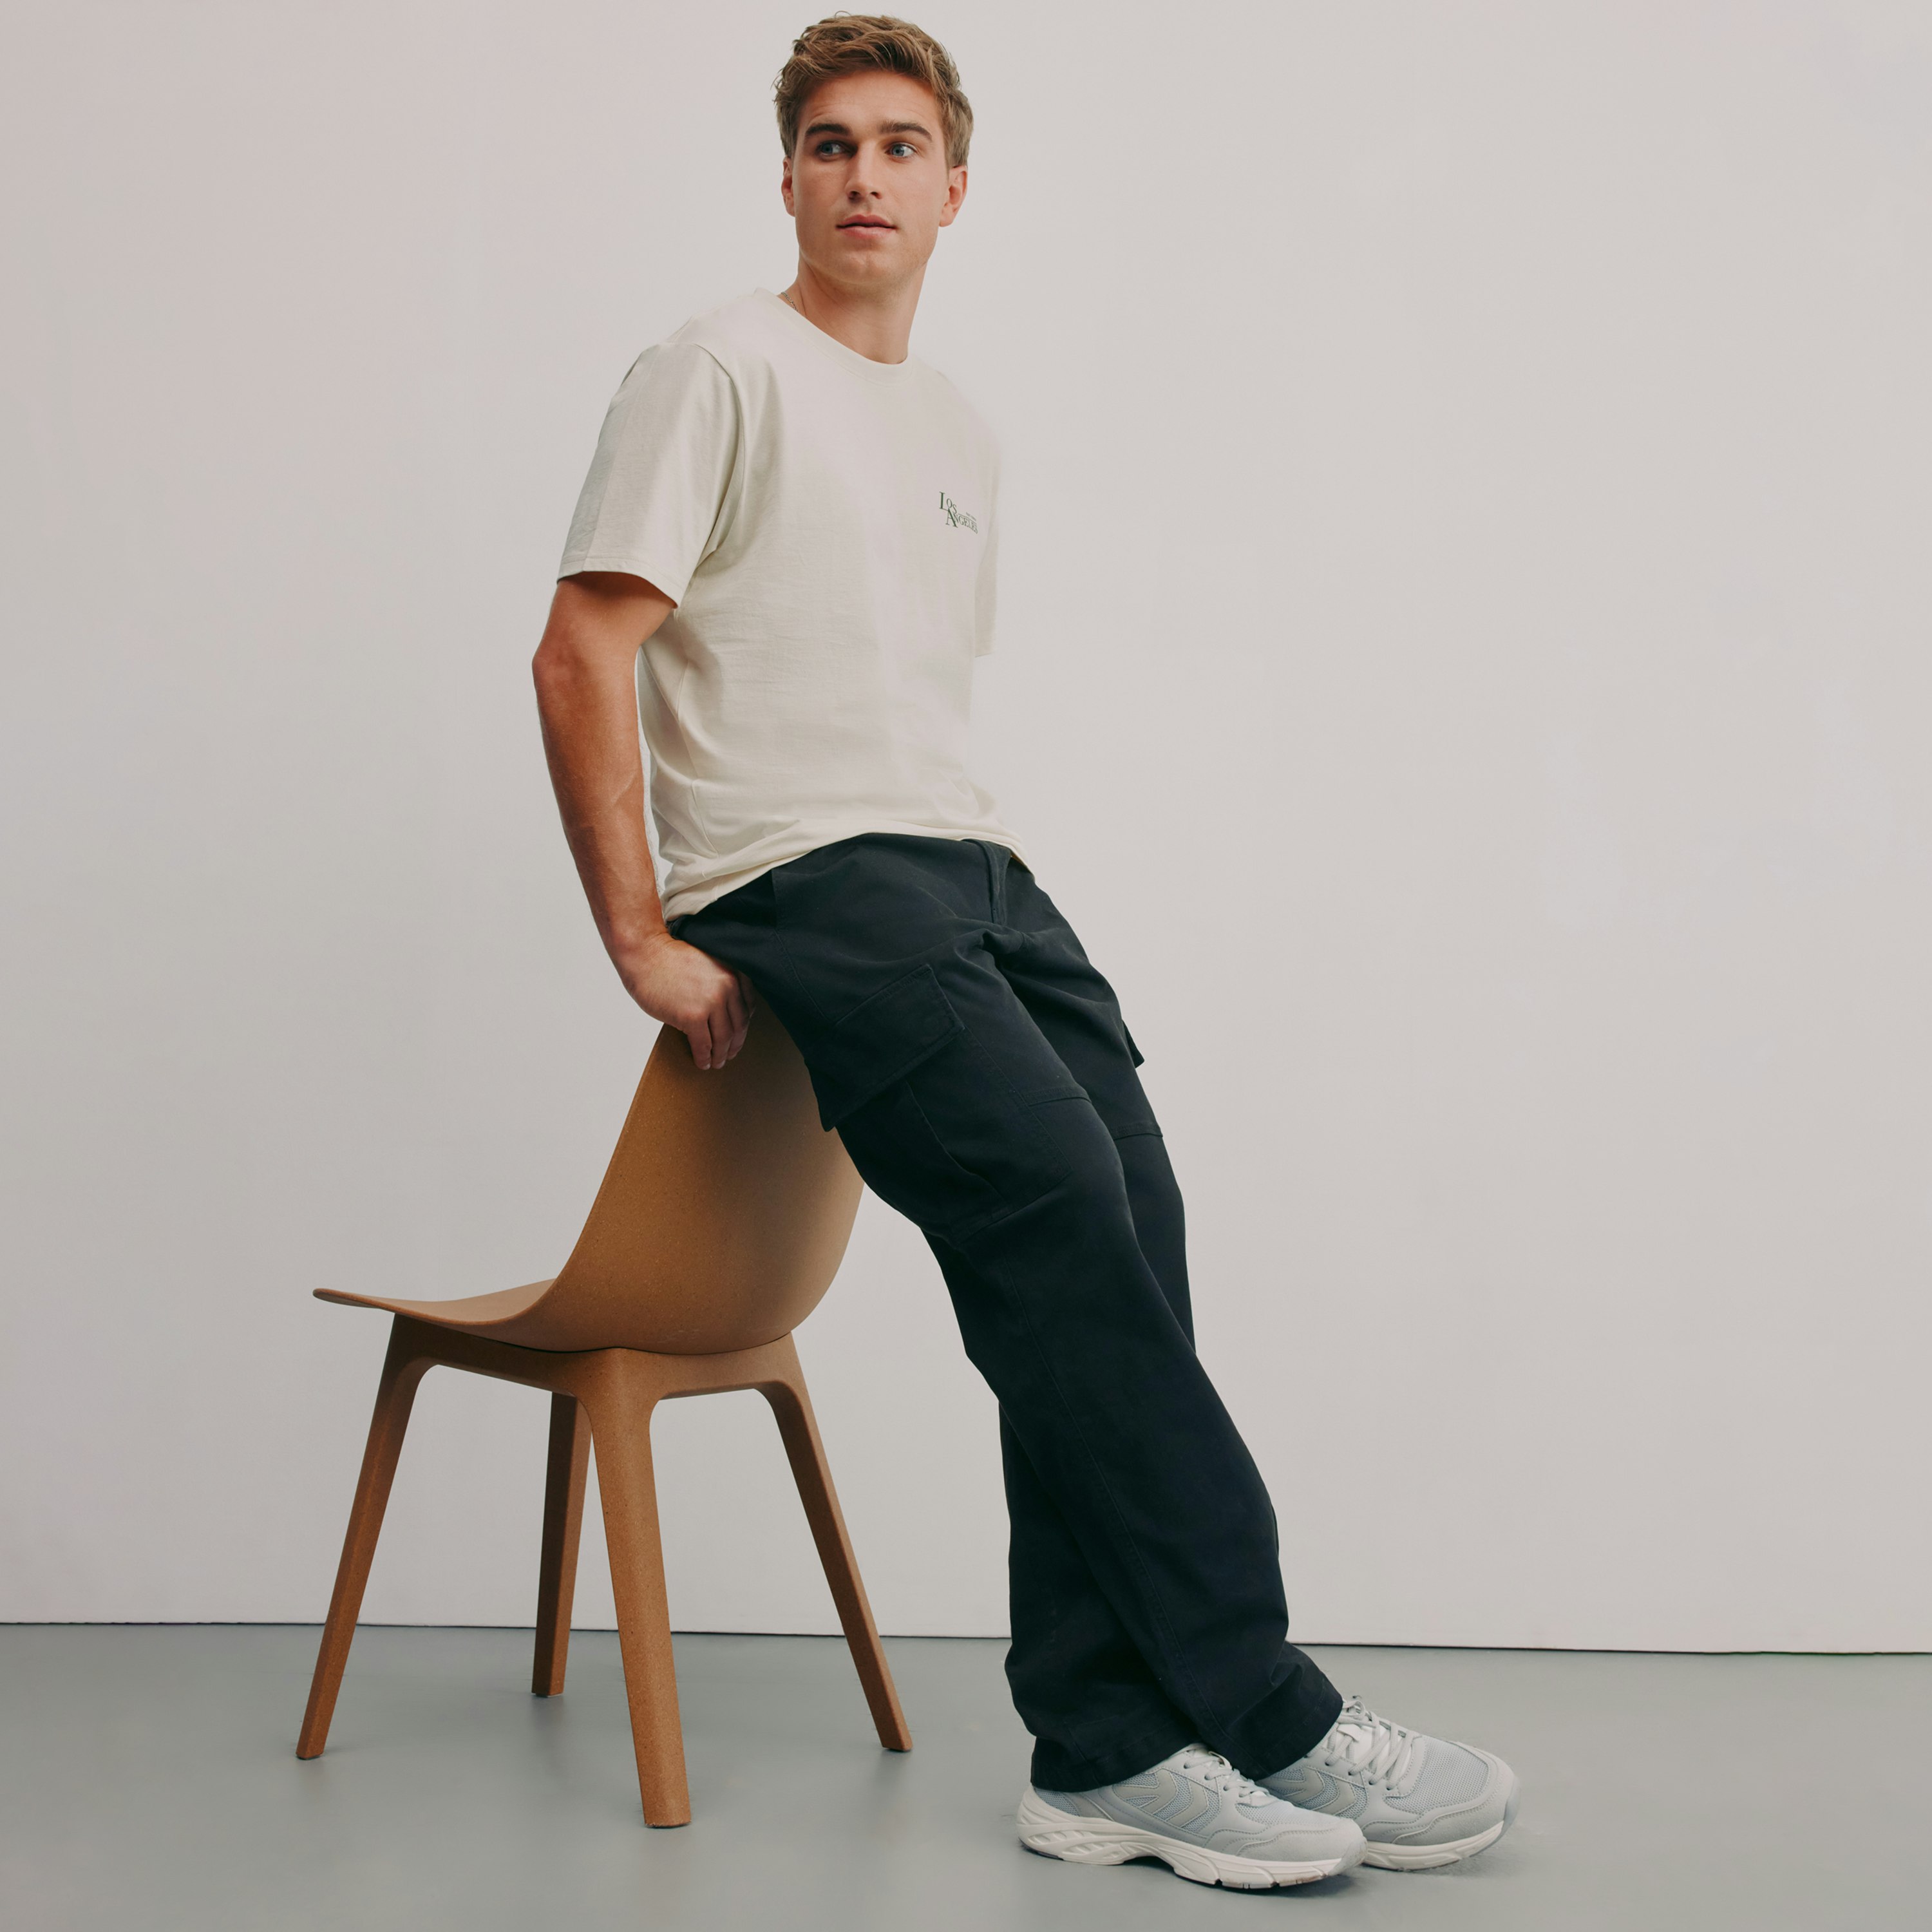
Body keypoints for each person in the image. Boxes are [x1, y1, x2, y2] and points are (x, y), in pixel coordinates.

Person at [532, 13, 1517, 1891]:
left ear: (956, 188)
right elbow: (582, 649)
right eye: (832, 144)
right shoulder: (714, 367)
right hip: (801, 873)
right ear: (788, 178)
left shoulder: (958, 430)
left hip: (972, 864)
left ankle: (1106, 1748)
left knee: (1127, 1213)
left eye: (901, 146)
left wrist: (972, 878)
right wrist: (641, 931)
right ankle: (1265, 1702)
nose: (866, 176)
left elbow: (896, 691)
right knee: (1058, 1207)